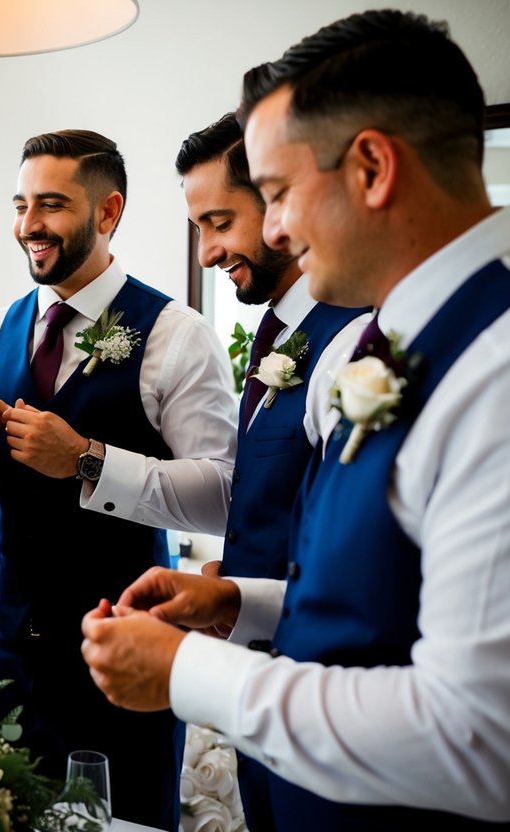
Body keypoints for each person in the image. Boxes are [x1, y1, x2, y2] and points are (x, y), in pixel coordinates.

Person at [81, 9, 510, 828]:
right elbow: (382, 603)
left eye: (276, 193)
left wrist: (187, 672)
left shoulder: (493, 371)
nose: (273, 227)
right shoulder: (389, 340)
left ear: (371, 168)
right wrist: (236, 601)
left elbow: (478, 738)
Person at [0, 129, 236, 829]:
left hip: (122, 657)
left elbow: (223, 494)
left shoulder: (177, 333)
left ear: (107, 212)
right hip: (4, 657)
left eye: (51, 205)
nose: (28, 225)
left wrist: (86, 460)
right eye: (20, 205)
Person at [176, 111, 369, 827]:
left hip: (331, 710)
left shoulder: (352, 344)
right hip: (266, 687)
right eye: (197, 228)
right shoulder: (280, 335)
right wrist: (228, 591)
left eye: (219, 222)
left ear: (278, 204)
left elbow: (353, 563)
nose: (206, 252)